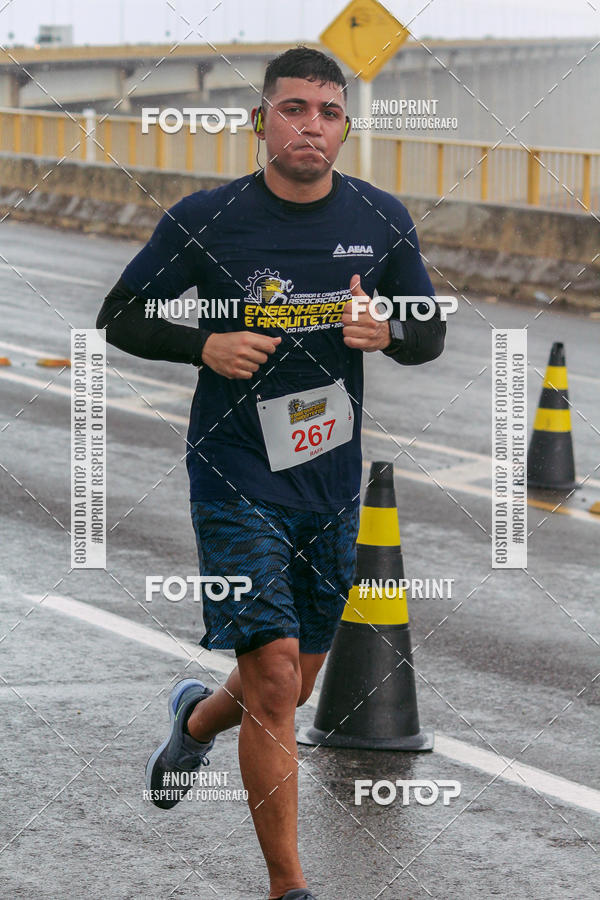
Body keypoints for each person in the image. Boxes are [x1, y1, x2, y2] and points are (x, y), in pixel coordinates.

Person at [97, 45, 445, 900]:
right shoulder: (206, 219)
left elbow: (430, 330)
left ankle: (193, 718)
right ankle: (288, 887)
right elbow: (120, 315)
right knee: (277, 673)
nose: (311, 127)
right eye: (293, 109)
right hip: (233, 472)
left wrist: (389, 333)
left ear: (344, 129)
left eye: (328, 113)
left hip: (328, 480)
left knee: (283, 687)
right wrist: (201, 342)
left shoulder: (381, 217)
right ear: (261, 122)